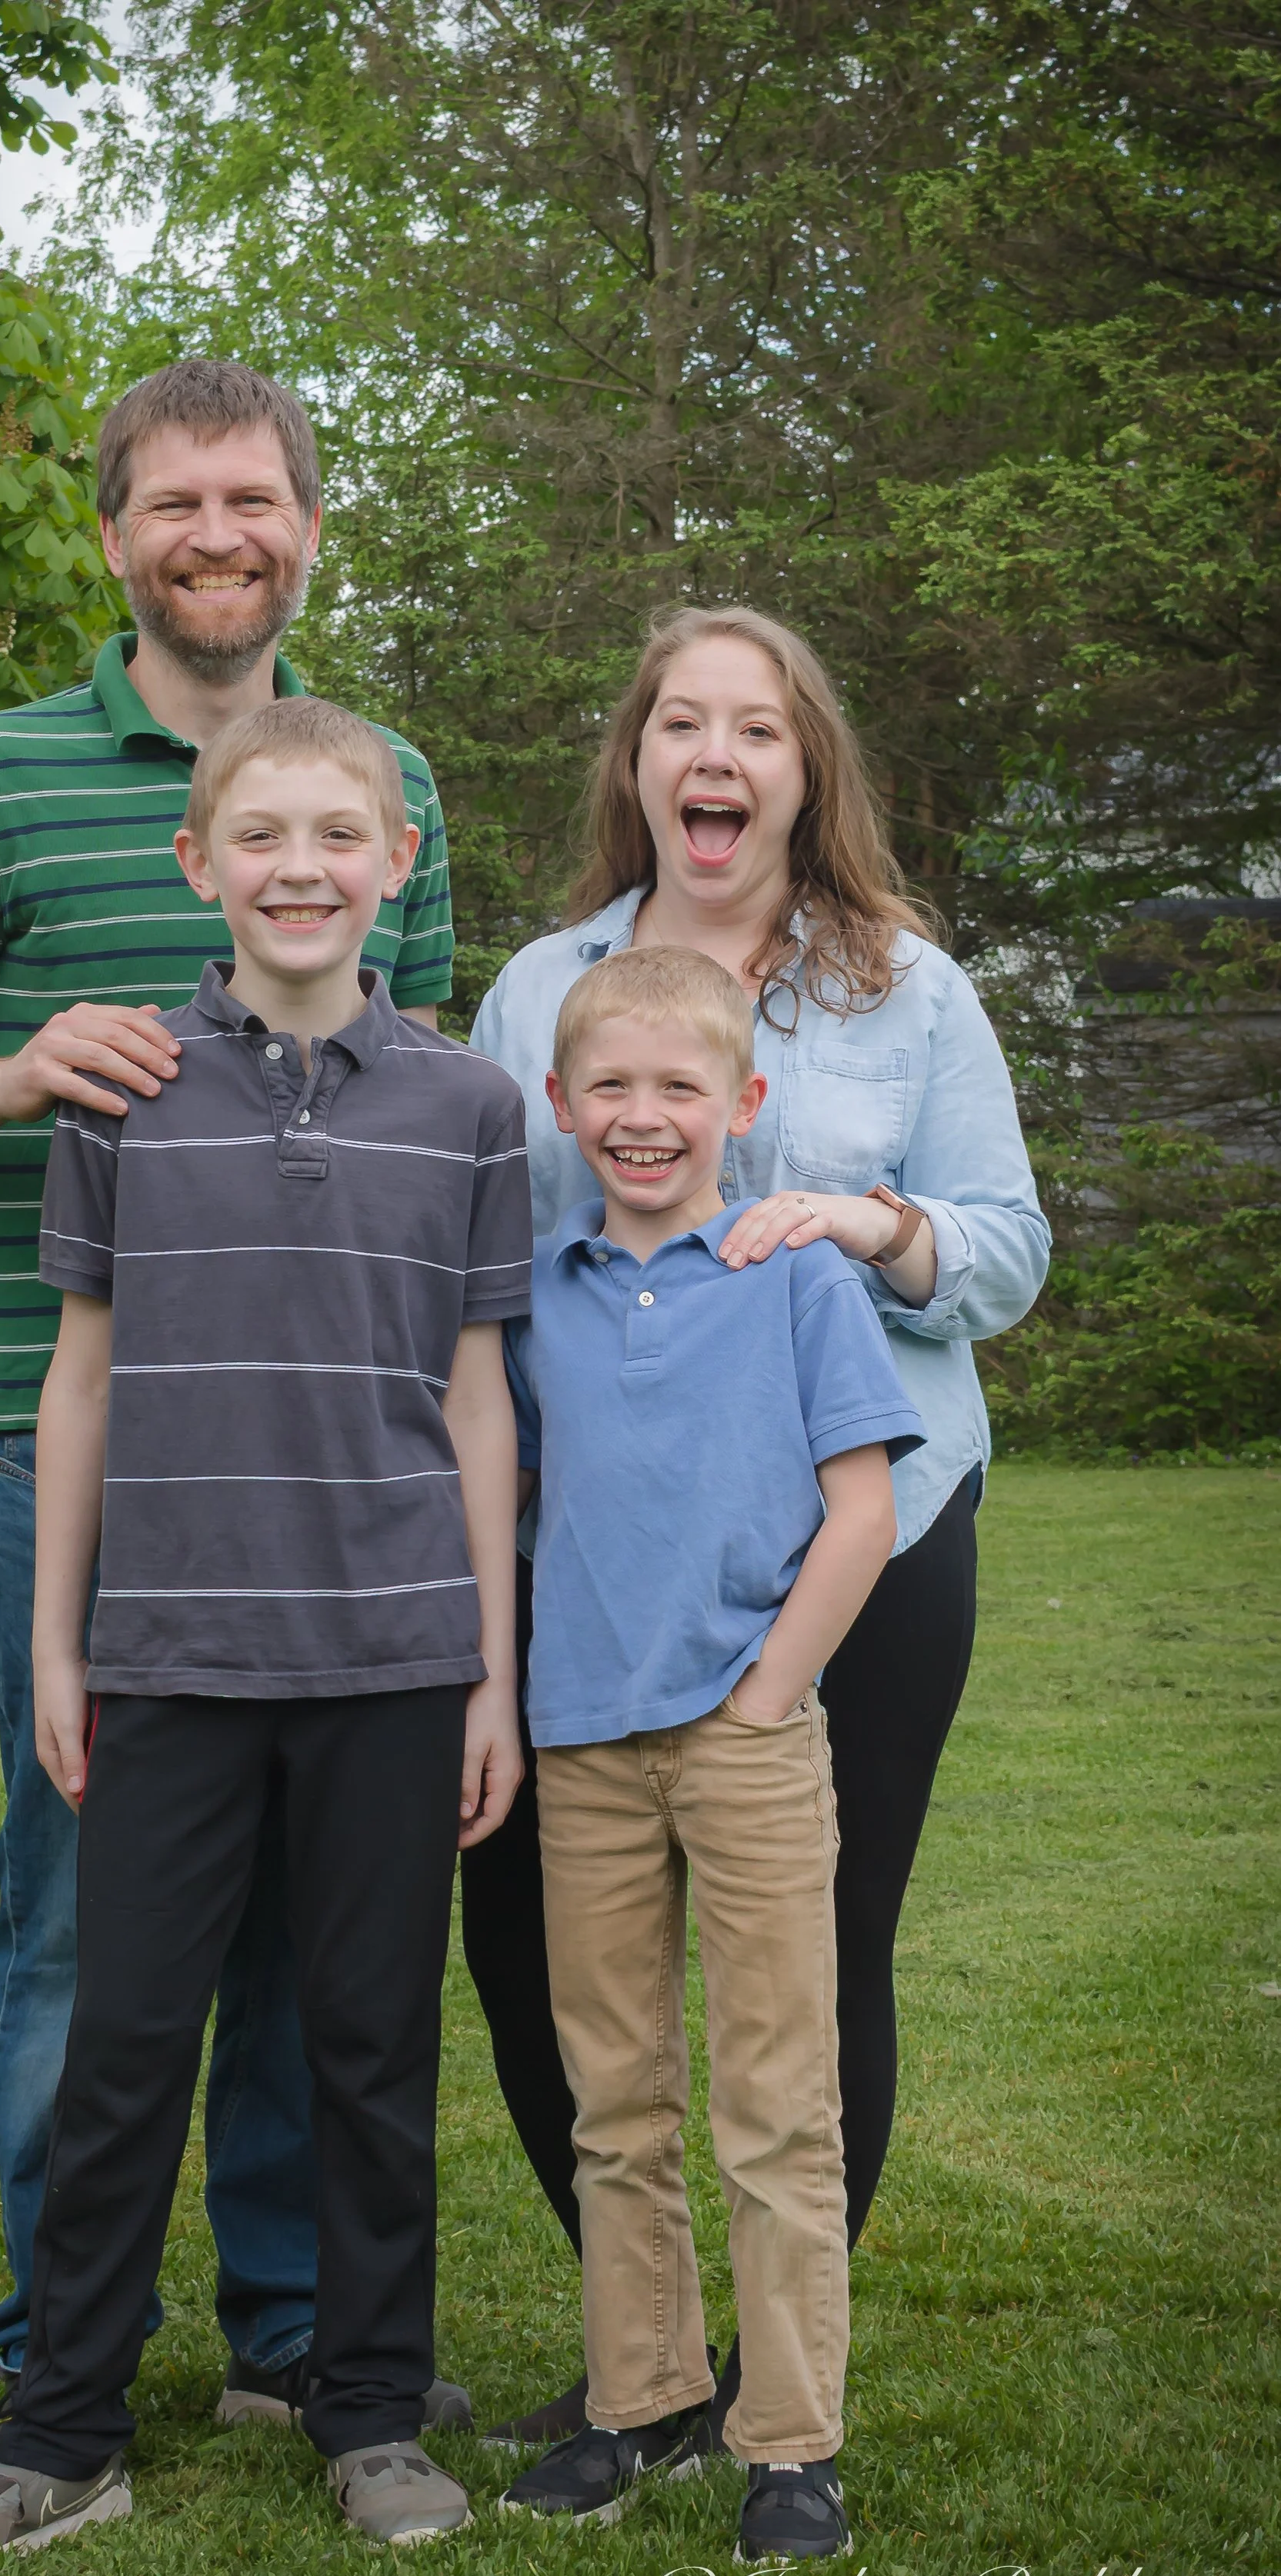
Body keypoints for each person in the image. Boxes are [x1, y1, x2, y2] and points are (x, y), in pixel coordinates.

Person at [0, 362, 463, 2422]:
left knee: (313, 1932)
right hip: (79, 1437)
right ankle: (60, 2342)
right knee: (86, 1916)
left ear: (305, 529)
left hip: (336, 1462)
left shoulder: (380, 779)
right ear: (115, 537)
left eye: (253, 499)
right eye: (176, 502)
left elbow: (409, 1112)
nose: (217, 534)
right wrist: (20, 1070)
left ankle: (290, 2333)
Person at [0, 698, 532, 2561]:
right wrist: (68, 1652)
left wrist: (487, 1666)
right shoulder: (132, 1090)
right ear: (202, 865)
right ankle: (59, 2434)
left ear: (398, 861)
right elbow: (76, 1383)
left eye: (343, 836)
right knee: (126, 2046)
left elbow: (478, 1401)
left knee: (368, 2051)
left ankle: (372, 2410)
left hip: (398, 1664)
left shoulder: (473, 1106)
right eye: (265, 839)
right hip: (166, 1657)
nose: (304, 868)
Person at [465, 605, 1049, 2446]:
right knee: (526, 1949)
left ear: (807, 773)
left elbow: (1010, 1251)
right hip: (604, 1569)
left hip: (869, 1533)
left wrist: (872, 1228)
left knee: (822, 1950)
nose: (718, 757)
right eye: (683, 724)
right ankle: (650, 2352)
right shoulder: (537, 987)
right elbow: (485, 1271)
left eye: (760, 729)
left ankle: (771, 2382)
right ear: (637, 761)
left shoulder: (911, 990)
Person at [495, 945, 925, 2556]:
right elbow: (516, 1497)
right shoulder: (536, 1292)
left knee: (772, 2099)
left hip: (745, 1745)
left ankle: (791, 2442)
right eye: (609, 1085)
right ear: (561, 1106)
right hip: (584, 1743)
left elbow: (864, 1512)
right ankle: (639, 2400)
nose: (643, 1114)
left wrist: (763, 1699)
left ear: (743, 1106)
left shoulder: (797, 1272)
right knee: (615, 2097)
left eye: (680, 1086)